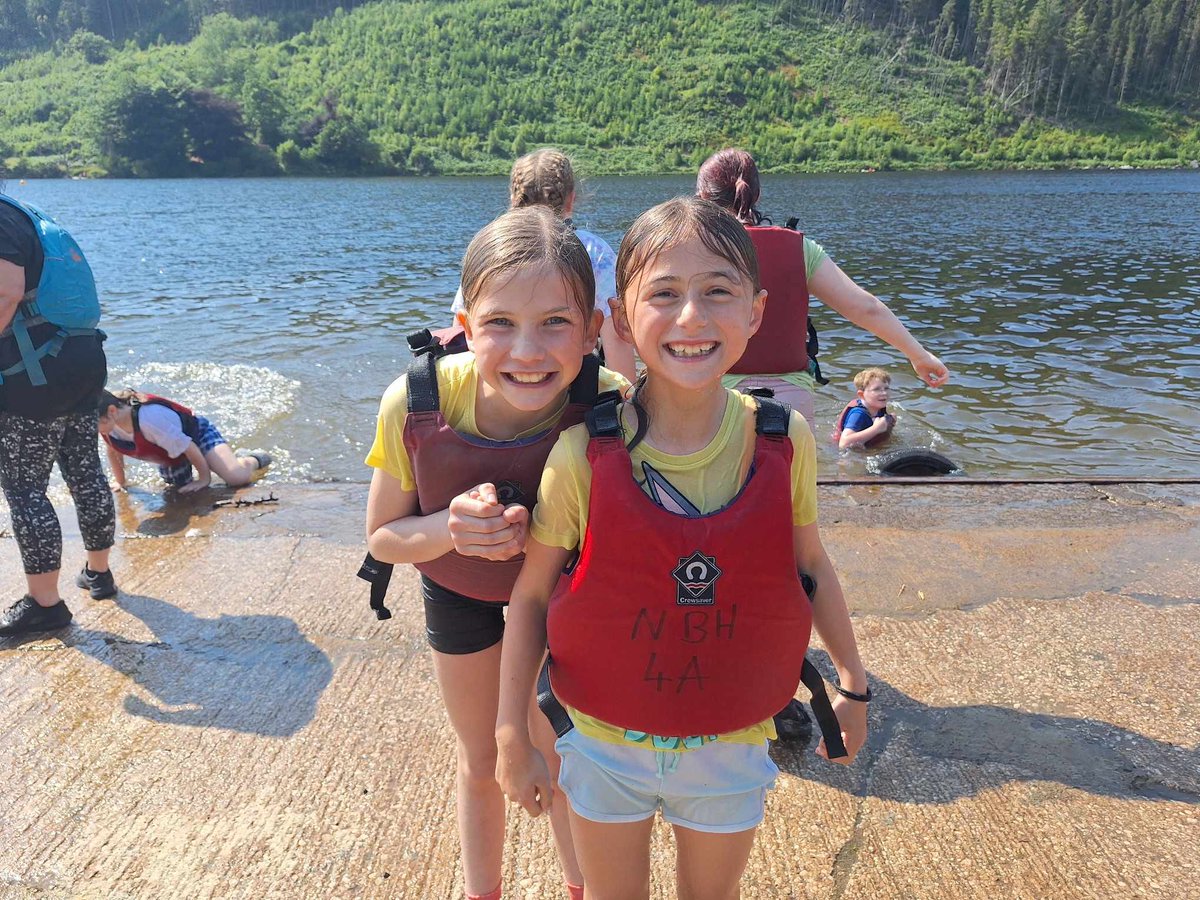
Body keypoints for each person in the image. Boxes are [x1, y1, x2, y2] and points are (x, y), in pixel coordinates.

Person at [495, 198, 869, 900]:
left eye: (717, 291)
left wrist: (852, 682)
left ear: (756, 312)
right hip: (603, 743)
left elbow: (811, 566)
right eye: (663, 294)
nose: (691, 318)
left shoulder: (785, 441)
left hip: (730, 744)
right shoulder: (580, 456)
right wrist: (511, 731)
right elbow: (532, 596)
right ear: (621, 318)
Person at [366, 206, 629, 900]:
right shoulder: (414, 401)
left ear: (594, 330)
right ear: (464, 324)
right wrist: (448, 529)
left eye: (555, 323)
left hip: (562, 598)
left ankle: (580, 887)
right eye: (500, 324)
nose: (528, 351)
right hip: (458, 590)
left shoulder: (611, 404)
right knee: (481, 757)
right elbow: (384, 536)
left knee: (561, 749)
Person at [695, 148, 950, 424]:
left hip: (715, 398)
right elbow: (865, 308)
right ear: (757, 194)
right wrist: (918, 355)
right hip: (792, 406)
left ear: (702, 197)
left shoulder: (692, 250)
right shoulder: (800, 249)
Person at [0, 187, 117, 637]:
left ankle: (45, 605)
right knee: (84, 470)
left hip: (37, 370)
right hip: (80, 358)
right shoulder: (26, 214)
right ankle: (99, 572)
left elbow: (7, 291)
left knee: (25, 488)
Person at [450, 148, 638, 382]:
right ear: (571, 198)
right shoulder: (593, 251)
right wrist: (625, 395)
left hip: (501, 380)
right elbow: (615, 336)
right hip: (572, 385)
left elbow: (460, 336)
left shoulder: (495, 248)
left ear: (513, 199)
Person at [96, 389, 272, 494]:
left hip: (196, 435)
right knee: (179, 491)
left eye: (94, 424)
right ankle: (220, 463)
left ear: (112, 411)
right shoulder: (109, 424)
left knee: (235, 478)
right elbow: (113, 450)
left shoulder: (150, 420)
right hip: (171, 451)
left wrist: (204, 479)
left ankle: (251, 459)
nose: (91, 430)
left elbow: (190, 446)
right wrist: (121, 482)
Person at [835, 367, 896, 449]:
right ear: (861, 395)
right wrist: (876, 429)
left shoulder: (878, 407)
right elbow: (843, 444)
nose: (884, 393)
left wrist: (889, 423)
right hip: (849, 453)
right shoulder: (858, 415)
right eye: (877, 389)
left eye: (886, 388)